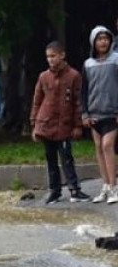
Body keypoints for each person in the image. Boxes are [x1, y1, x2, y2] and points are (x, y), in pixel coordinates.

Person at [30, 41, 89, 204]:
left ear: (62, 55)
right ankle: (54, 190)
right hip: (45, 124)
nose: (50, 60)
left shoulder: (74, 76)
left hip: (64, 125)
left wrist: (78, 125)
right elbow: (37, 100)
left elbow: (78, 102)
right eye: (48, 57)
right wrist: (34, 123)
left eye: (53, 56)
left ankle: (74, 189)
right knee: (50, 159)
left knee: (66, 158)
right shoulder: (43, 77)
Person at [80, 26, 118, 203]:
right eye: (99, 39)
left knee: (107, 146)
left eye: (106, 38)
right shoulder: (88, 64)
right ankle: (105, 185)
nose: (103, 42)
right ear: (93, 42)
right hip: (94, 113)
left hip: (112, 112)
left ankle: (113, 186)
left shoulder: (116, 60)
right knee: (99, 149)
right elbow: (84, 90)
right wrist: (84, 114)